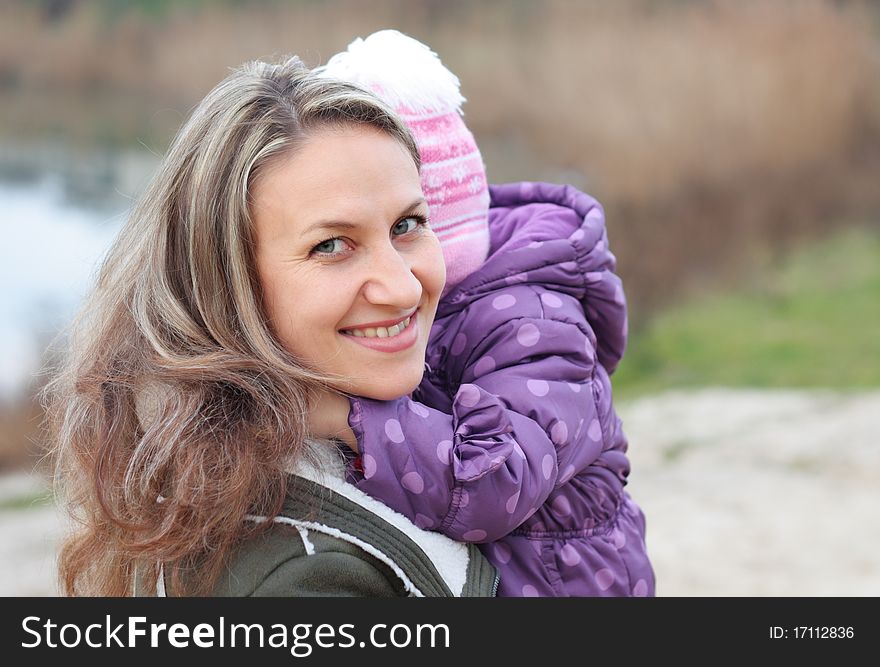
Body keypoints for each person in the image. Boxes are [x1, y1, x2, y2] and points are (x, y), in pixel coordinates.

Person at [43, 55, 499, 597]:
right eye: (331, 246)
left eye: (408, 225)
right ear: (226, 284)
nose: (402, 287)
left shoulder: (221, 463)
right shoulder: (301, 580)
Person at [312, 30, 656, 596]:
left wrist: (342, 418)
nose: (389, 288)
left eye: (405, 230)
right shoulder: (457, 302)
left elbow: (498, 482)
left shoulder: (535, 320)